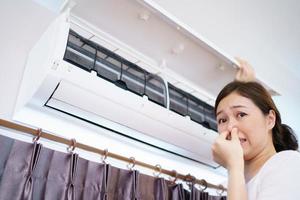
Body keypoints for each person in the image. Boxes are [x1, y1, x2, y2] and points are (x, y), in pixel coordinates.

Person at [211, 58, 300, 200]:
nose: (230, 127)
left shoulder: (287, 163)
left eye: (241, 114)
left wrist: (233, 167)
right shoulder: (241, 184)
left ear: (270, 120)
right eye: (222, 119)